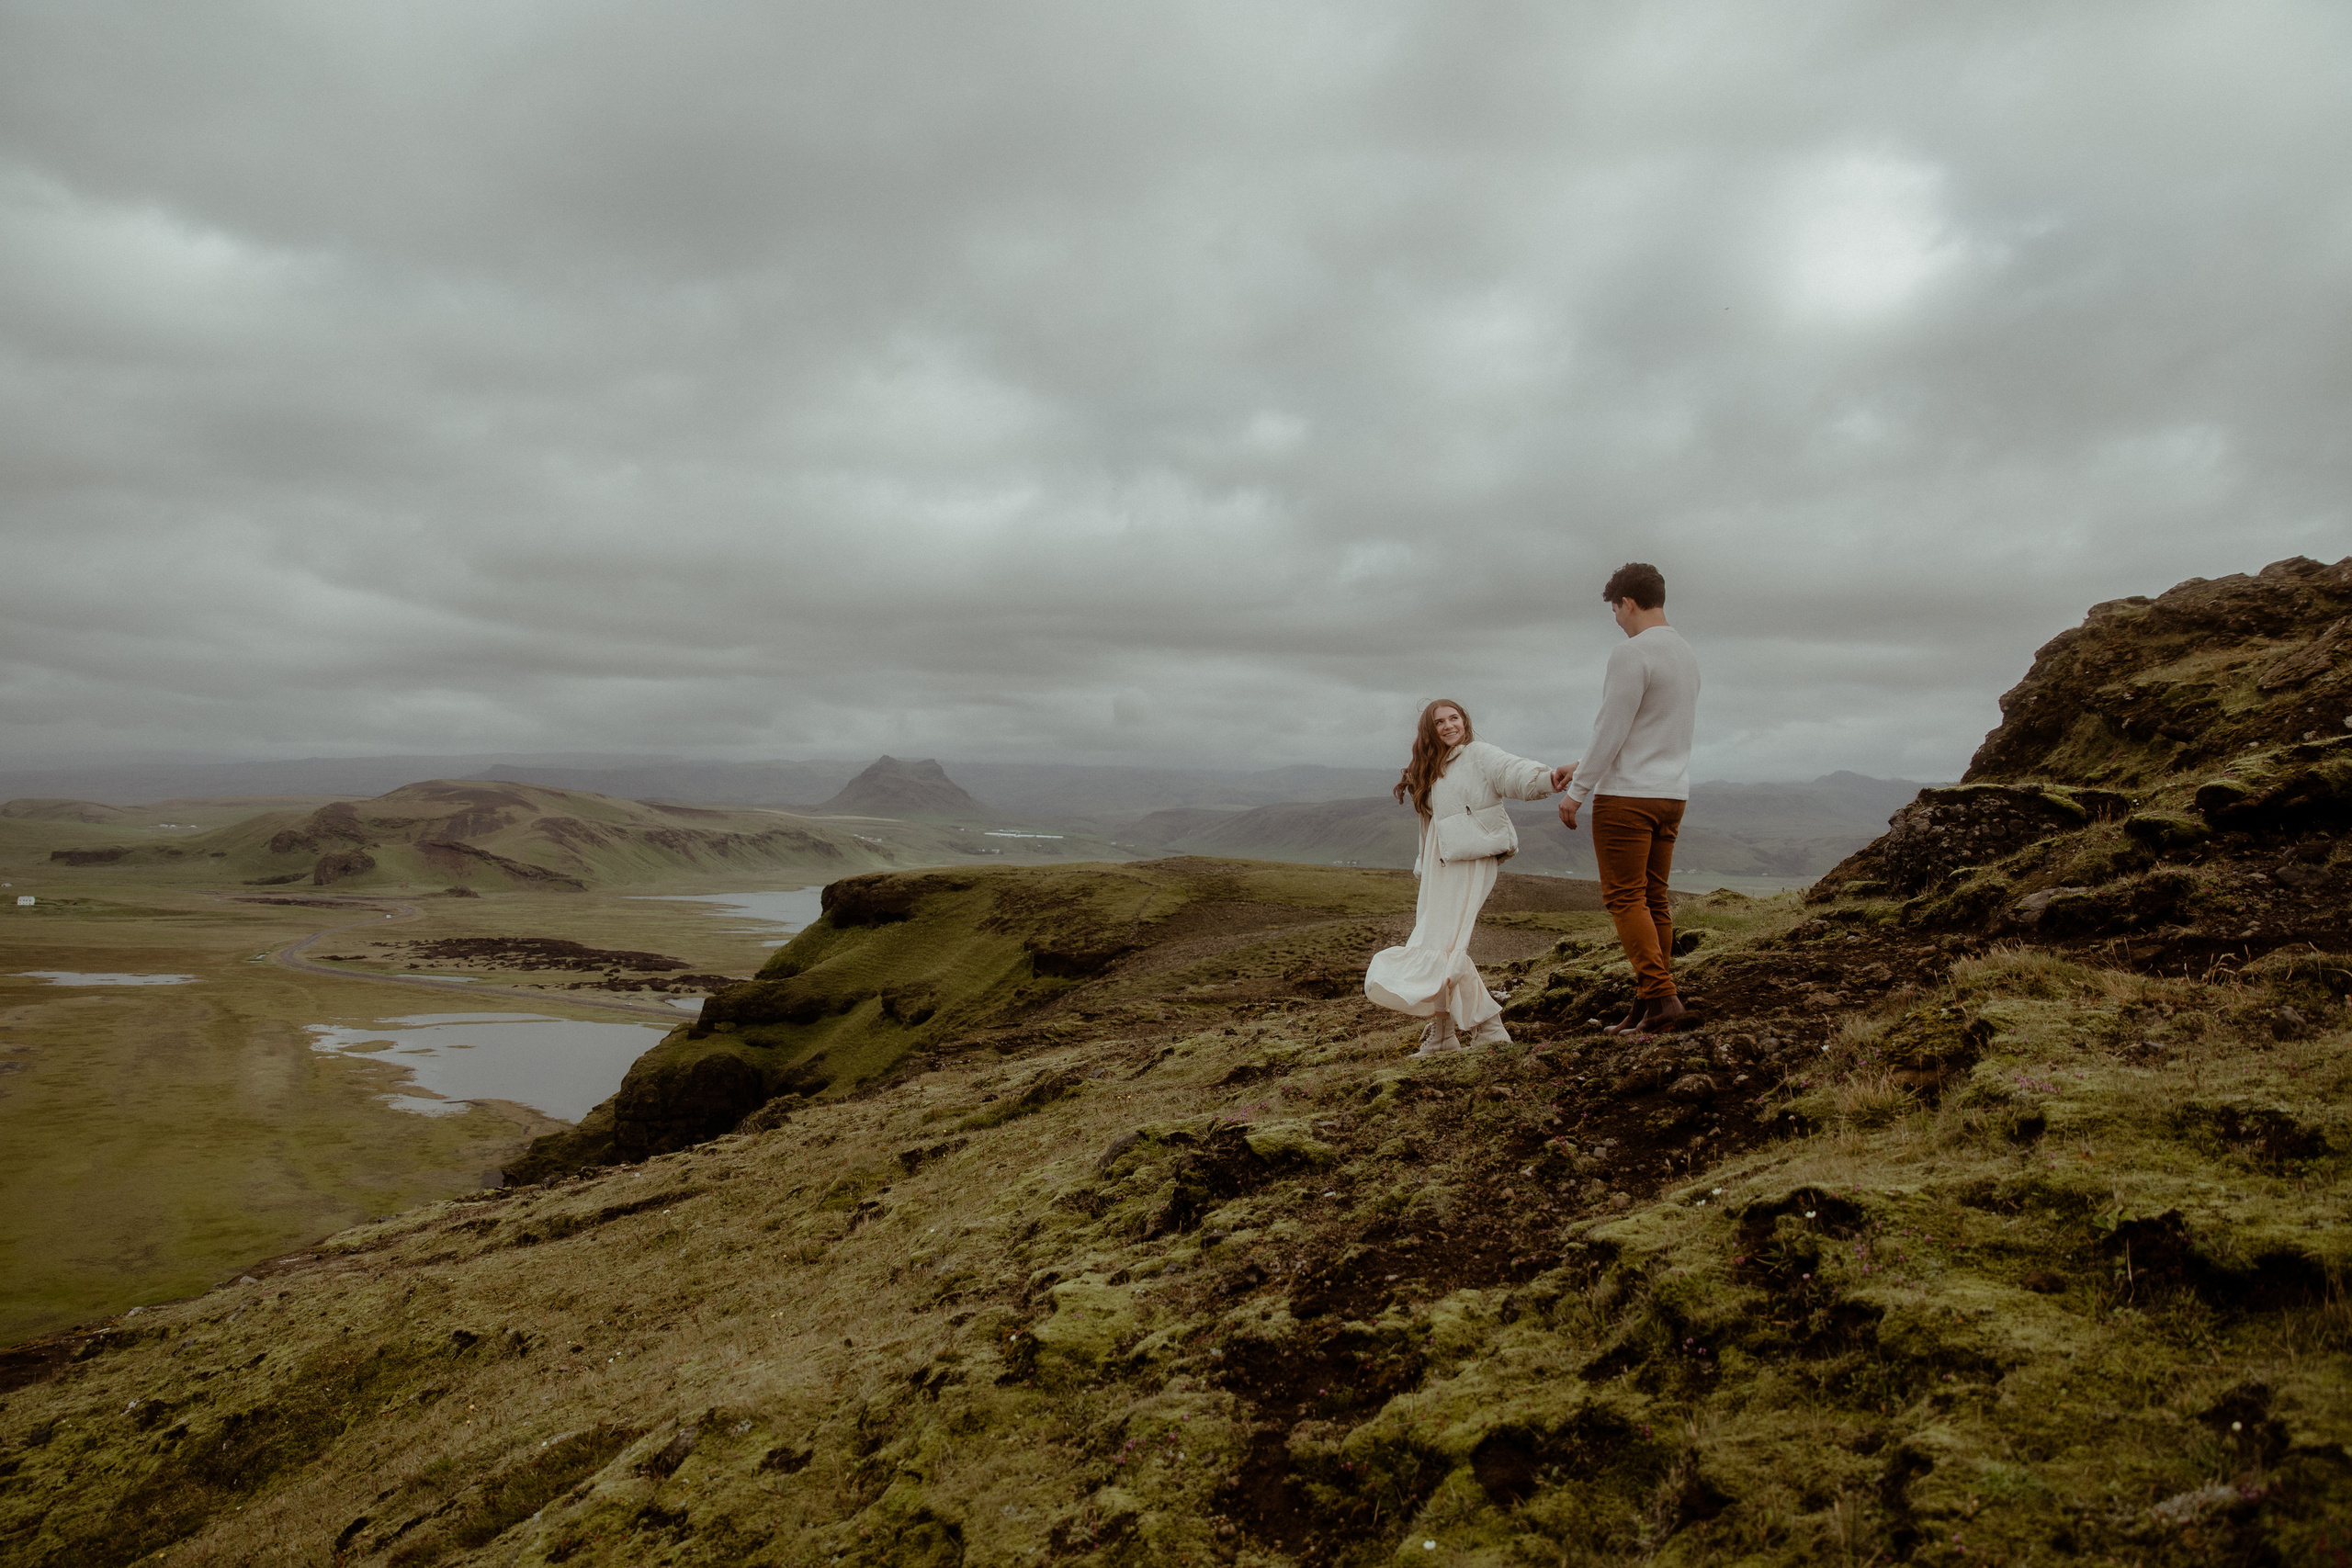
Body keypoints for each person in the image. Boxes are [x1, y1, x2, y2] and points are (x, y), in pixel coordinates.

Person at [1552, 562, 1701, 1034]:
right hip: (1671, 795)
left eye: (1615, 609)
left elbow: (1611, 727)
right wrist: (1586, 763)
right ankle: (1647, 1002)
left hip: (1627, 800)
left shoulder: (1630, 653)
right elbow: (1645, 729)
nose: (1615, 619)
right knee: (1654, 899)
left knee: (1624, 898)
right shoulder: (1686, 653)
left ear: (1628, 603)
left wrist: (1578, 791)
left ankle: (1661, 999)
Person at [1365, 699, 1560, 1055]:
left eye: (1454, 718)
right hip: (1438, 863)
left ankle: (1488, 1028)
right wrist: (1423, 862)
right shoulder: (1431, 767)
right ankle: (1443, 1034)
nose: (1449, 725)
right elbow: (1431, 825)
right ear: (1430, 731)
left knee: (1445, 946)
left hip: (1470, 857)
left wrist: (1548, 779)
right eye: (1439, 722)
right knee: (1436, 943)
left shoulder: (1478, 754)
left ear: (1465, 722)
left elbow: (1513, 772)